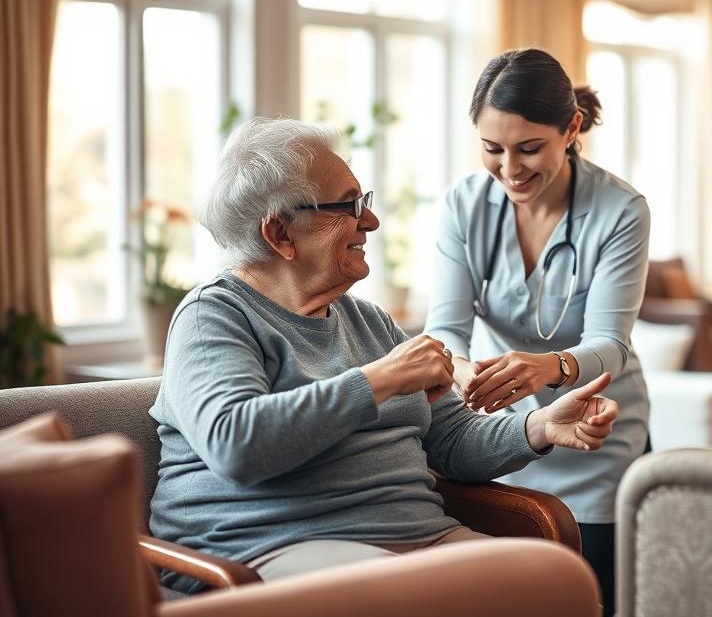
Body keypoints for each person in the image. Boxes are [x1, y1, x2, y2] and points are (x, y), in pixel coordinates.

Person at [148, 117, 620, 594]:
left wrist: (540, 427)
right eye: (349, 206)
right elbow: (236, 443)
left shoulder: (369, 321)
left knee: (559, 581)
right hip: (268, 547)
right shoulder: (214, 315)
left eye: (364, 201)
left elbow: (453, 441)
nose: (370, 221)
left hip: (417, 539)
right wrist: (380, 380)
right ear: (281, 234)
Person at [424, 48, 651, 615]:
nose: (510, 169)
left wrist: (552, 367)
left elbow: (613, 343)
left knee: (593, 598)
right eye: (492, 149)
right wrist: (460, 368)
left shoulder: (620, 210)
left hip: (598, 438)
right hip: (505, 436)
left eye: (529, 148)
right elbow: (446, 327)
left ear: (571, 128)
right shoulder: (463, 205)